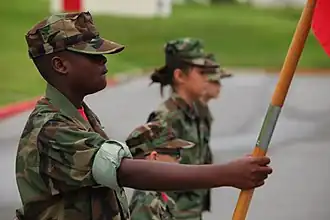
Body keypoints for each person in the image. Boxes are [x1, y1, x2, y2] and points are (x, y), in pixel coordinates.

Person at [15, 12, 272, 220]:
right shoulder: (50, 128)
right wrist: (226, 175)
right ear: (60, 65)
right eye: (91, 55)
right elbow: (124, 171)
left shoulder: (80, 115)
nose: (103, 61)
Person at [145, 38, 231, 220]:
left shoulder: (196, 112)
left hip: (192, 212)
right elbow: (155, 180)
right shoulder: (167, 117)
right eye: (201, 72)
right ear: (180, 76)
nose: (207, 78)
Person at [127, 120, 194, 220]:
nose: (179, 159)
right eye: (176, 153)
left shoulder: (158, 197)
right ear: (154, 157)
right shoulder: (147, 203)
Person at [195, 53, 233, 213]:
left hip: (192, 201)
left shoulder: (202, 113)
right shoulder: (184, 114)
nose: (220, 86)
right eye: (215, 81)